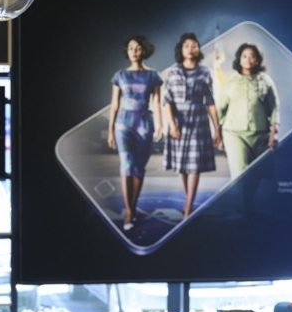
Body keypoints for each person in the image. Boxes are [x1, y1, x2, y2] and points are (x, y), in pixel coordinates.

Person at [160, 32, 222, 219]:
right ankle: (189, 201)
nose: (191, 48)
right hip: (178, 121)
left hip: (198, 121)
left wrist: (217, 128)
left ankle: (187, 208)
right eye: (187, 45)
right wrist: (171, 124)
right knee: (181, 165)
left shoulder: (205, 72)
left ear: (198, 50)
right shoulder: (172, 72)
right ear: (181, 49)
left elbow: (210, 101)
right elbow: (167, 100)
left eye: (194, 45)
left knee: (194, 165)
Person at [105, 34, 162, 231]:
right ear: (127, 51)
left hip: (144, 122)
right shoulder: (120, 75)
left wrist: (161, 125)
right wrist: (111, 130)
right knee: (126, 165)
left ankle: (134, 206)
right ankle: (129, 211)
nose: (134, 52)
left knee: (139, 168)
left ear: (144, 51)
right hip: (124, 123)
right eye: (130, 48)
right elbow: (114, 105)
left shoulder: (153, 75)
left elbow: (156, 102)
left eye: (137, 48)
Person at [216, 43, 280, 175]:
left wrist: (275, 132)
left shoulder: (266, 81)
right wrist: (218, 134)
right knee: (240, 173)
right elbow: (220, 109)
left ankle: (247, 197)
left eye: (252, 56)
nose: (248, 59)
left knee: (257, 174)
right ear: (239, 59)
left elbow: (274, 107)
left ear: (257, 59)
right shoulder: (230, 81)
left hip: (261, 135)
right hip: (234, 134)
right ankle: (241, 195)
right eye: (244, 56)